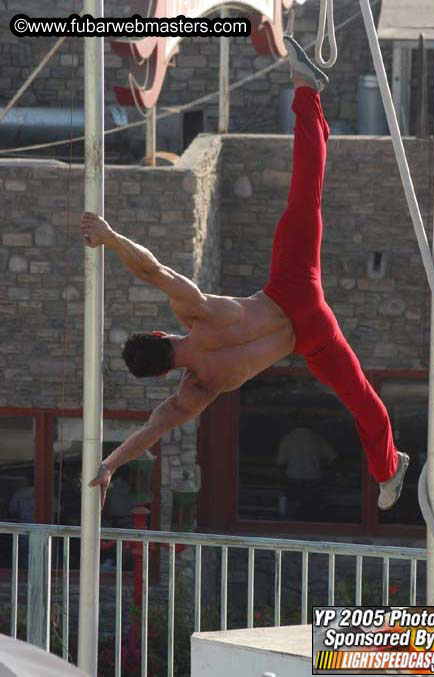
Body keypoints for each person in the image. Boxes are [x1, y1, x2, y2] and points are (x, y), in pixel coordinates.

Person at [82, 35, 409, 513]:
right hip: (292, 291)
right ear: (158, 332)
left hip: (311, 337)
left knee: (364, 403)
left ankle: (388, 470)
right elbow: (150, 268)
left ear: (160, 374)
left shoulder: (195, 391)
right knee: (305, 192)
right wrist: (110, 237)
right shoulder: (195, 311)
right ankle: (306, 89)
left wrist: (111, 464)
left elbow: (150, 430)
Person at [276, 423, 336, 520]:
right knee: (312, 514)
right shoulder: (317, 438)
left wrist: (282, 479)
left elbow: (280, 463)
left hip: (293, 480)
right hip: (313, 481)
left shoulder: (287, 439)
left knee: (293, 515)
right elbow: (333, 458)